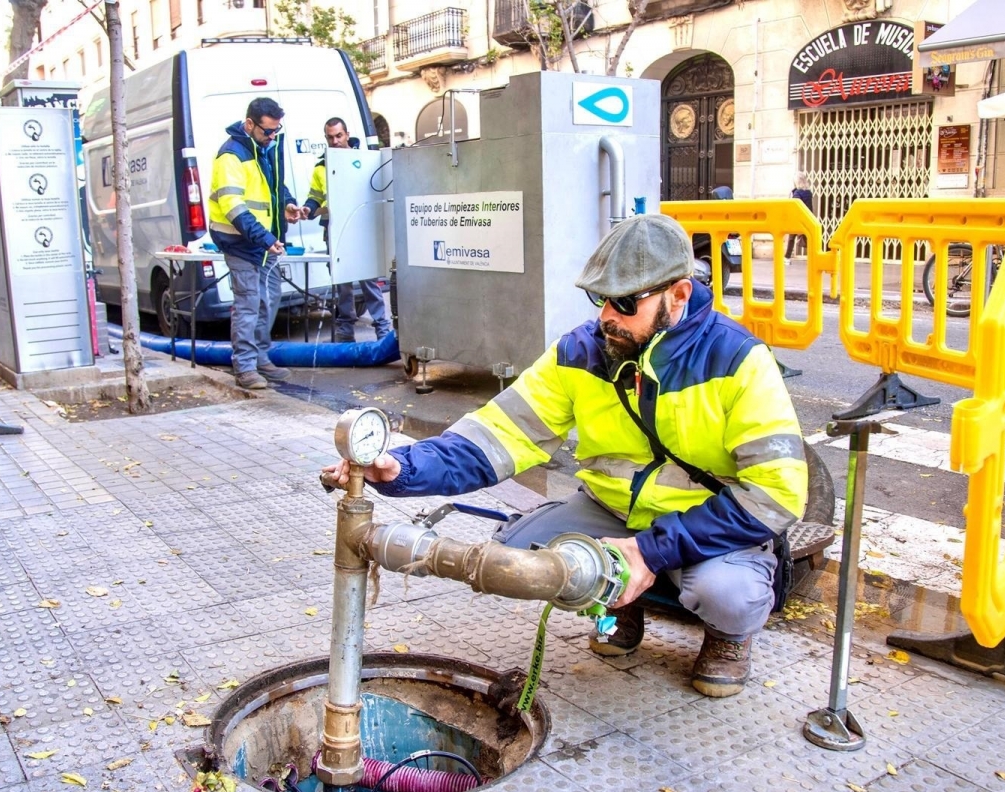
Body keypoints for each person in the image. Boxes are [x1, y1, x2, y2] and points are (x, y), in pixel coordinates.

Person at [324, 215, 807, 698]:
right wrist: (403, 467)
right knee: (522, 557)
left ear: (678, 295)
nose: (606, 317)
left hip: (708, 525)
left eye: (623, 302)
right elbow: (498, 435)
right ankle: (619, 602)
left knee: (726, 594)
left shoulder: (739, 360)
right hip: (614, 511)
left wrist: (651, 551)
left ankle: (728, 637)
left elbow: (777, 497)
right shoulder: (580, 352)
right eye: (599, 299)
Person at [208, 97, 301, 389]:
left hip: (263, 244)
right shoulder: (231, 155)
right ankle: (245, 367)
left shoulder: (262, 149)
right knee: (249, 305)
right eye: (267, 131)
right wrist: (265, 237)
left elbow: (273, 187)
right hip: (241, 244)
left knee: (268, 301)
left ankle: (260, 358)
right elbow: (232, 205)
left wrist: (287, 204)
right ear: (250, 124)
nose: (272, 136)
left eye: (276, 131)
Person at [300, 117, 392, 342]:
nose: (335, 141)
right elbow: (315, 196)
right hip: (335, 232)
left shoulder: (364, 159)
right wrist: (307, 209)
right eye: (330, 137)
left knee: (368, 280)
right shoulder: (322, 167)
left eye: (338, 136)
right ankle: (344, 330)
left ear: (347, 134)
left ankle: (382, 327)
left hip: (361, 230)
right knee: (342, 284)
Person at [785, 176, 814, 264]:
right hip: (807, 217)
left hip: (798, 218)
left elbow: (795, 205)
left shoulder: (797, 193)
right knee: (808, 238)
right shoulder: (809, 192)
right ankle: (813, 256)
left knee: (791, 238)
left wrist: (792, 192)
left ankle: (787, 258)